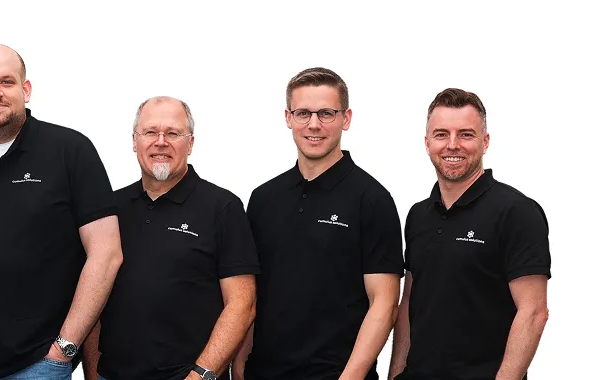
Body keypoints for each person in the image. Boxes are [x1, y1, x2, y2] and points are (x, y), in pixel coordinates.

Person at [0, 43, 124, 380]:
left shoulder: (70, 152)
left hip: (35, 366)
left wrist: (65, 347)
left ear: (25, 90)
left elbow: (107, 253)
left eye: (6, 82)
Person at [236, 67, 403, 380]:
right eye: (303, 113)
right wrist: (239, 366)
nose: (314, 124)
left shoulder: (372, 199)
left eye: (326, 113)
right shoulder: (263, 199)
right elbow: (251, 295)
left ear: (346, 118)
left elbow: (385, 302)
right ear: (288, 118)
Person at [83, 97, 257, 380]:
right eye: (150, 132)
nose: (160, 142)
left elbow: (242, 303)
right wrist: (92, 373)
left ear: (190, 143)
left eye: (173, 133)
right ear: (134, 141)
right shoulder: (109, 210)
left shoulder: (223, 207)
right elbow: (93, 298)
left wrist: (201, 374)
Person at [388, 88, 551, 380]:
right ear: (427, 143)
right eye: (441, 135)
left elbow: (534, 312)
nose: (452, 145)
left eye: (465, 134)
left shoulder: (516, 212)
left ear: (485, 141)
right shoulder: (417, 216)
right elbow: (409, 303)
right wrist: (396, 373)